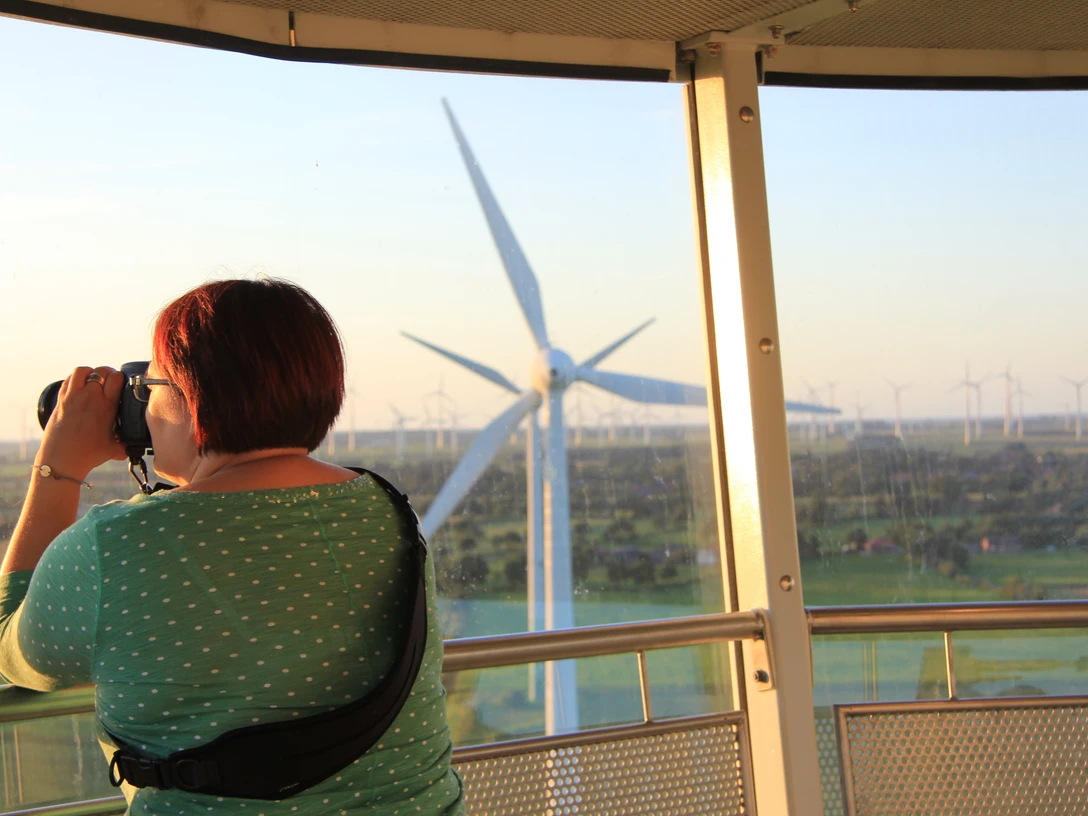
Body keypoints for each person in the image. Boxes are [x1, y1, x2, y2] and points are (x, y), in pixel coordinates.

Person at [0, 278, 464, 815]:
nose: (144, 406)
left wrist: (59, 467)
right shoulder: (390, 512)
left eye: (150, 385)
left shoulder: (118, 545)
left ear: (191, 401)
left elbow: (11, 650)